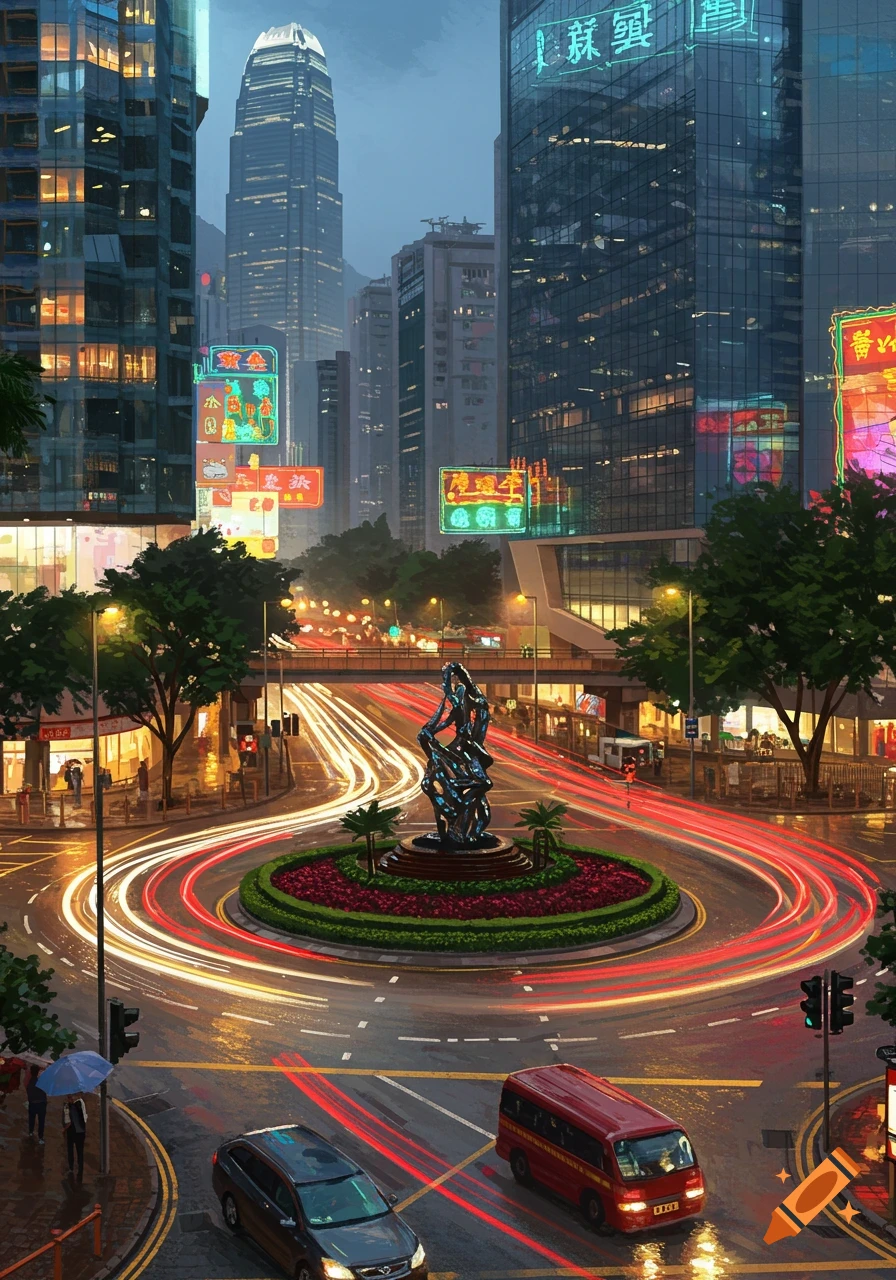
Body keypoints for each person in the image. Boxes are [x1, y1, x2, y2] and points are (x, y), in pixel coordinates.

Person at [63, 1093, 87, 1176]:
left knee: (73, 1150)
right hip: (79, 1131)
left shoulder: (69, 1106)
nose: (70, 1098)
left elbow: (68, 1122)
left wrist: (64, 1129)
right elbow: (85, 1117)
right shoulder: (80, 1103)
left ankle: (73, 1168)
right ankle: (78, 1169)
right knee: (78, 1151)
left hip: (74, 1132)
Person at [26, 1064, 47, 1143]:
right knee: (41, 1121)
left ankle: (31, 1132)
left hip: (32, 1104)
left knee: (31, 1119)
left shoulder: (29, 1083)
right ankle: (40, 1137)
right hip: (41, 1104)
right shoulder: (41, 1082)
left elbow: (29, 1094)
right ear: (38, 1072)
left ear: (31, 1072)